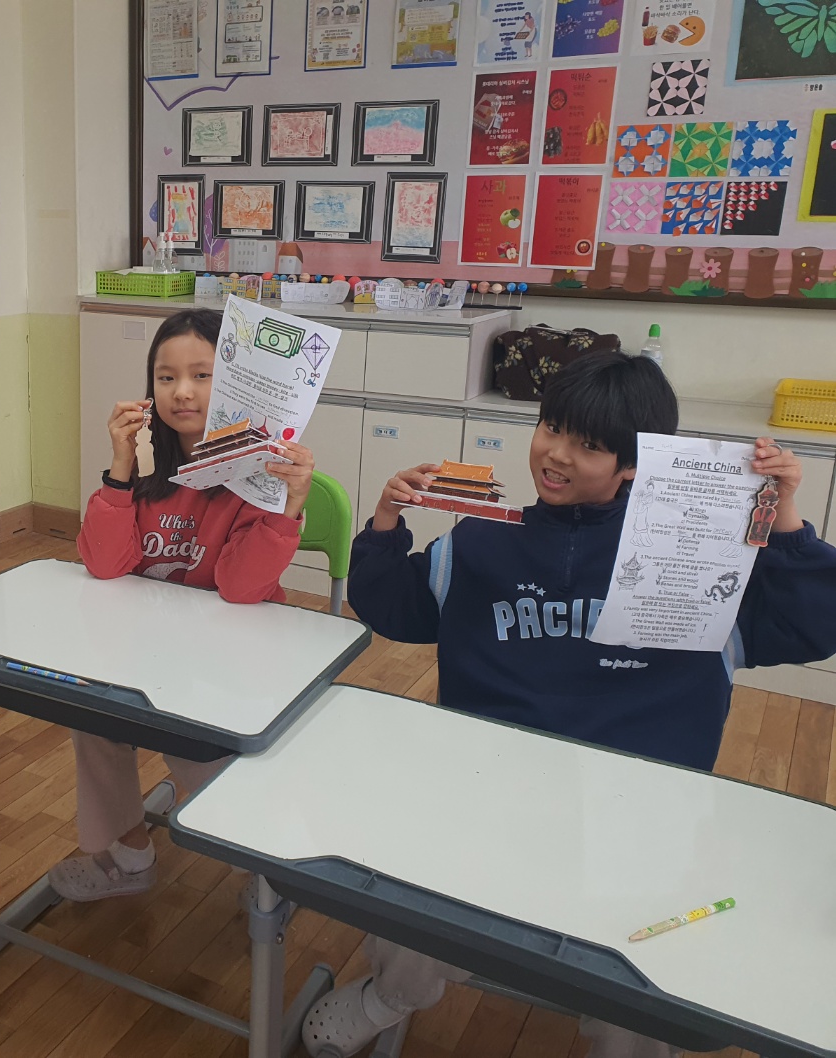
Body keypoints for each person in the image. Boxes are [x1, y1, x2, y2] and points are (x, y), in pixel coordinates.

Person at [303, 351, 836, 1058]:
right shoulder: (482, 539)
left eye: (588, 445)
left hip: (639, 817)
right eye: (551, 427)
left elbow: (813, 623)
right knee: (409, 894)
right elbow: (395, 608)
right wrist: (385, 522)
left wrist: (787, 517)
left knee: (648, 976)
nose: (556, 454)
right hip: (486, 793)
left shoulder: (700, 560)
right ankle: (390, 996)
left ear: (633, 466)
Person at [54, 308, 315, 901]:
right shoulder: (150, 475)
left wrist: (288, 507)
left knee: (198, 748)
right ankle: (129, 853)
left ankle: (268, 858)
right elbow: (105, 564)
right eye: (166, 377)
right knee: (94, 716)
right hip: (154, 653)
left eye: (202, 375)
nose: (183, 392)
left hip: (231, 664)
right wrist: (121, 467)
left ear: (237, 384)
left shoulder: (255, 480)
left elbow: (242, 588)